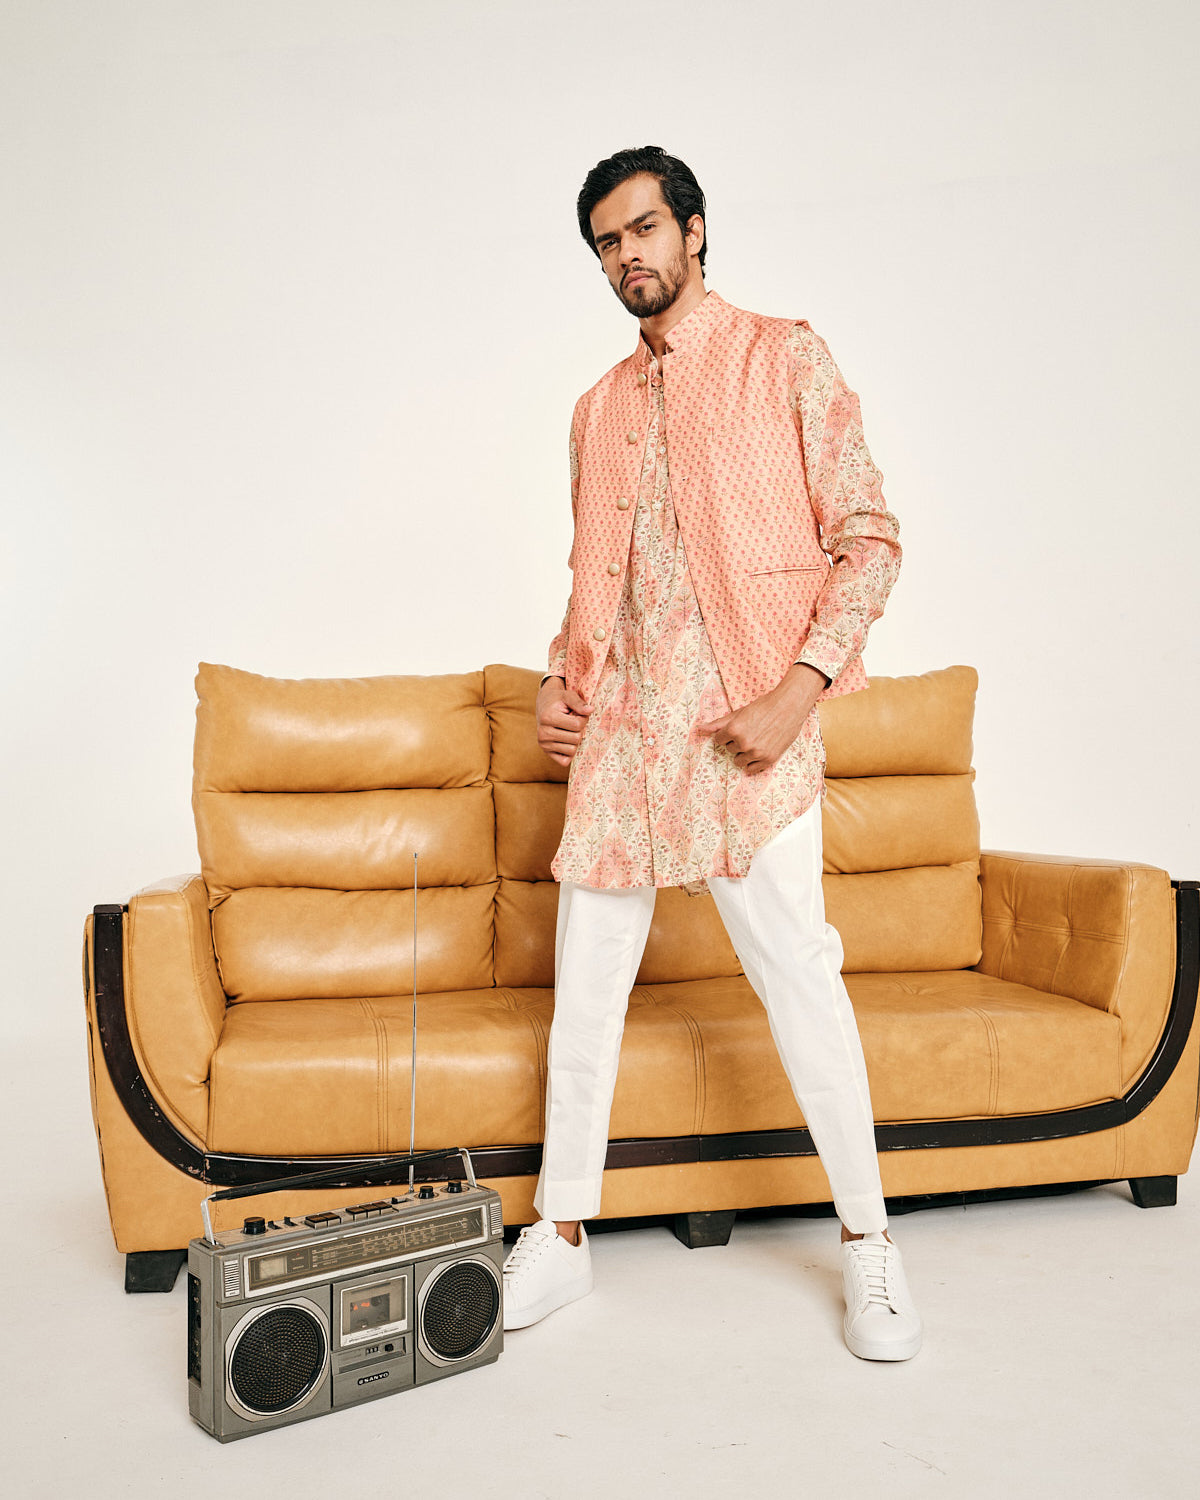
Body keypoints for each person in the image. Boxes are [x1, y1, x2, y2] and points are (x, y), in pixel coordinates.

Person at [502, 146, 920, 1361]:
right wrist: (557, 683)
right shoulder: (595, 411)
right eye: (606, 242)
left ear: (692, 229)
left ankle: (869, 1243)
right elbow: (600, 582)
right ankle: (561, 1235)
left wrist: (799, 690)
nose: (625, 255)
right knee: (586, 996)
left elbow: (870, 540)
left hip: (745, 737)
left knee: (802, 983)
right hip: (622, 745)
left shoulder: (784, 356)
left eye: (643, 229)